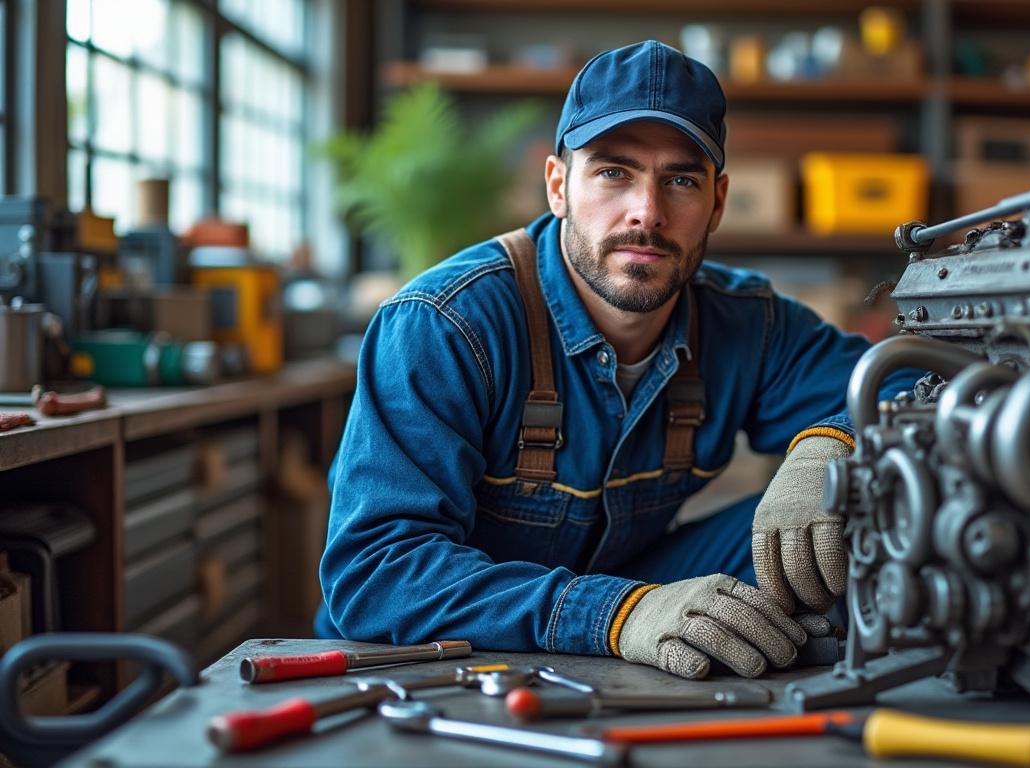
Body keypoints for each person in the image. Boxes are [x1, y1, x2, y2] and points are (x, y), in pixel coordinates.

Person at [316, 40, 920, 680]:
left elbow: (913, 378)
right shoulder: (445, 325)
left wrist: (832, 447)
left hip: (641, 591)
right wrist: (617, 614)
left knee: (860, 506)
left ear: (717, 203)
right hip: (437, 653)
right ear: (558, 186)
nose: (647, 213)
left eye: (680, 180)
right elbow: (375, 572)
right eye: (613, 172)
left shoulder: (748, 321)